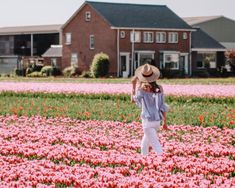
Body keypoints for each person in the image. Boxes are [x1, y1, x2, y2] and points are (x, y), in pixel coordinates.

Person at [132, 63, 169, 156]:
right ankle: (144, 161)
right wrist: (165, 122)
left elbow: (133, 100)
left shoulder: (142, 89)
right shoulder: (160, 88)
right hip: (157, 121)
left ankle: (163, 161)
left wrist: (133, 85)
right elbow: (162, 106)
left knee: (156, 145)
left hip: (147, 121)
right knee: (144, 144)